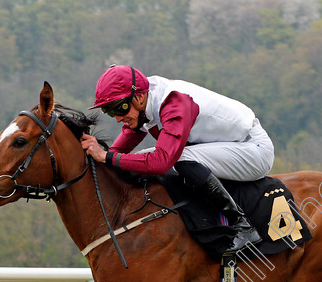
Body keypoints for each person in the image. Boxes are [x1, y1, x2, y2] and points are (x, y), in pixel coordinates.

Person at [80, 65, 275, 253]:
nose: (117, 118)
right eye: (110, 111)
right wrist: (99, 156)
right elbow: (117, 154)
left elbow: (161, 161)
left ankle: (242, 225)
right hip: (232, 148)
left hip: (253, 150)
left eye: (119, 109)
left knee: (177, 157)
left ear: (138, 97)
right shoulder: (145, 102)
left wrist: (106, 156)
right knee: (136, 160)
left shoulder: (173, 103)